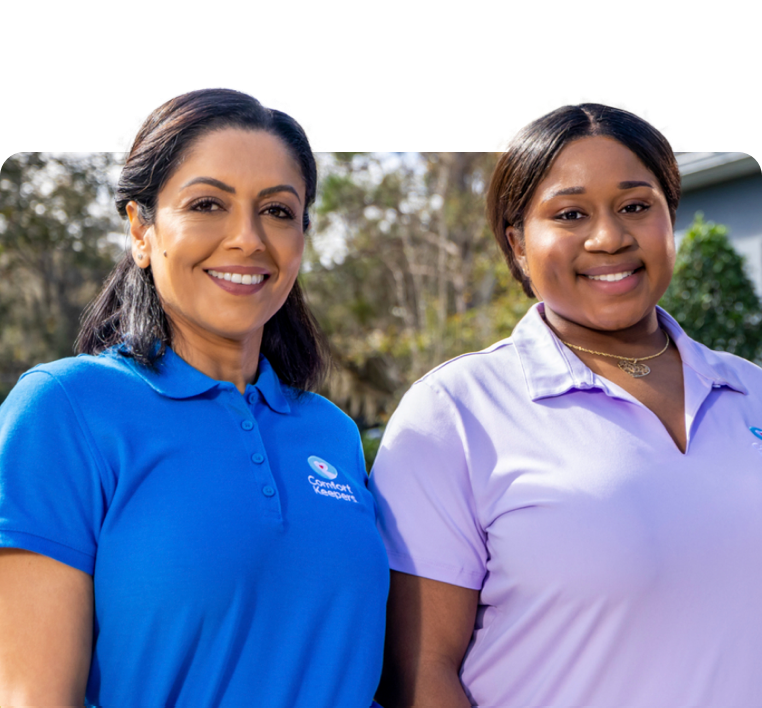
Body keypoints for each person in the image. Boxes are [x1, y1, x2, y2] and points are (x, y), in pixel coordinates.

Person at [0, 86, 389, 707]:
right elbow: (34, 697)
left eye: (279, 211)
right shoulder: (64, 411)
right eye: (207, 204)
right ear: (141, 229)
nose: (248, 239)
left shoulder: (331, 432)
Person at [370, 100, 762, 707]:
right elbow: (419, 675)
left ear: (670, 219)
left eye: (636, 206)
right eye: (570, 213)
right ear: (518, 244)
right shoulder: (455, 413)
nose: (609, 237)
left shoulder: (751, 392)